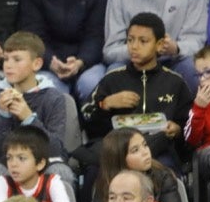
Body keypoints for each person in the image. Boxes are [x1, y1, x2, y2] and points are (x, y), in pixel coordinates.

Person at [82, 11, 197, 170]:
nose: (134, 46)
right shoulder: (111, 79)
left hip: (158, 153)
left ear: (159, 44)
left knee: (165, 168)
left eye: (143, 41)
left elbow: (190, 124)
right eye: (130, 40)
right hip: (118, 153)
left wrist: (177, 130)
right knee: (94, 170)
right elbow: (87, 118)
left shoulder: (175, 82)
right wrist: (106, 104)